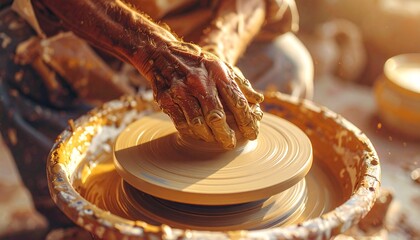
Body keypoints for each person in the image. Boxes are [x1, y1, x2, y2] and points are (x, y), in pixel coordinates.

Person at [0, 0, 313, 226]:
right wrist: (153, 53)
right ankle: (76, 223)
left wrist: (217, 49)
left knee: (288, 64)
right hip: (87, 27)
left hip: (196, 21)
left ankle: (253, 212)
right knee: (9, 49)